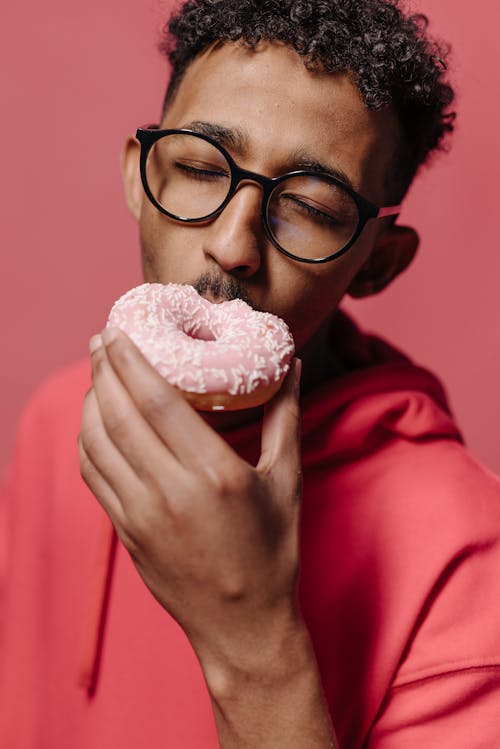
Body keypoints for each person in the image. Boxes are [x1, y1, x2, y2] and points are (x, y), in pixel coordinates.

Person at [1, 1, 500, 747]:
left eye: (307, 207)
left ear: (378, 264)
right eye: (201, 169)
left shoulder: (469, 561)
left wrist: (255, 641)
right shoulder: (61, 419)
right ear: (140, 178)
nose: (234, 245)